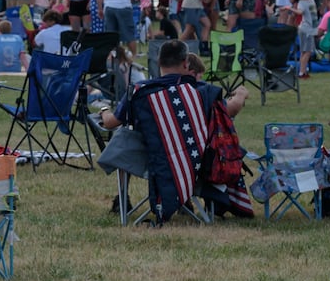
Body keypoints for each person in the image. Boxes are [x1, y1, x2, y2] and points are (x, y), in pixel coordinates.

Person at [98, 39, 249, 223]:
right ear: (186, 63)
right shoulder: (202, 92)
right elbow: (230, 109)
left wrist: (104, 111)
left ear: (158, 62)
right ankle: (188, 202)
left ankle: (122, 201)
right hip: (195, 165)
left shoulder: (140, 91)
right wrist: (241, 94)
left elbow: (111, 123)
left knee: (123, 135)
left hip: (150, 163)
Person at [293, 0, 318, 78]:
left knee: (305, 51)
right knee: (306, 52)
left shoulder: (311, 0)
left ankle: (303, 70)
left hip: (310, 30)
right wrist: (289, 8)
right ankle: (302, 72)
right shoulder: (302, 2)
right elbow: (299, 12)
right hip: (305, 30)